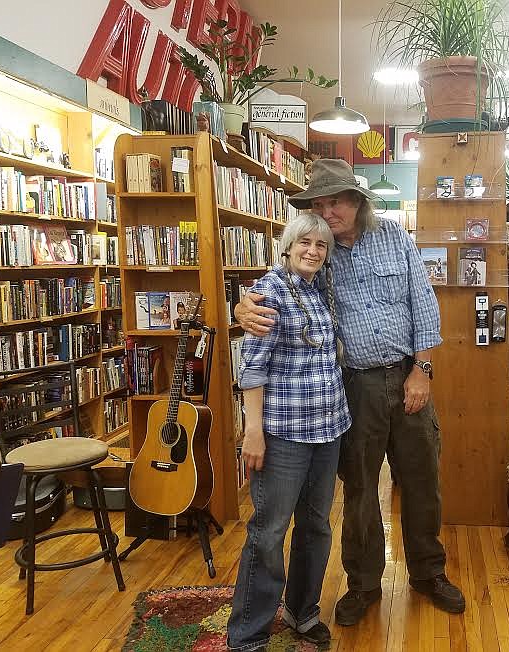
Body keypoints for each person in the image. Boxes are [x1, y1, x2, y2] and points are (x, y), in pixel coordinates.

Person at [235, 158, 465, 627]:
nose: (327, 212)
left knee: (422, 482)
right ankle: (362, 584)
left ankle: (427, 573)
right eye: (318, 205)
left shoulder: (396, 238)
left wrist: (421, 370)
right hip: (353, 386)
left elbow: (423, 302)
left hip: (408, 378)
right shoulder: (318, 252)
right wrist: (243, 305)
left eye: (335, 201)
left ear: (358, 202)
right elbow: (277, 286)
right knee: (359, 491)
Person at [227, 213, 350, 652]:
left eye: (321, 244)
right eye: (305, 242)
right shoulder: (269, 291)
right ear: (288, 244)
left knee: (316, 526)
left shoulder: (323, 289)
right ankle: (248, 634)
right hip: (282, 433)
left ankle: (303, 612)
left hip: (328, 429)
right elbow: (252, 368)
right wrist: (252, 431)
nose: (313, 251)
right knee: (270, 531)